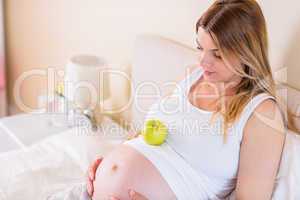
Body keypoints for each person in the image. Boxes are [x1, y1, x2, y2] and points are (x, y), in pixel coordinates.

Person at [87, 0, 287, 199]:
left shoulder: (262, 113)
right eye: (200, 48)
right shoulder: (193, 76)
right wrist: (108, 164)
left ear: (247, 53)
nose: (203, 61)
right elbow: (153, 135)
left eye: (217, 55)